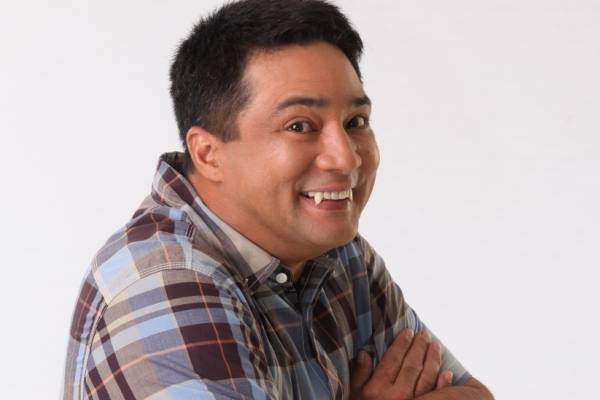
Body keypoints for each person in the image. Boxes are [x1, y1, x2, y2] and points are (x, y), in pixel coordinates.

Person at [62, 0, 494, 399]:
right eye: (300, 126)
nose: (346, 158)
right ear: (208, 154)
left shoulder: (339, 257)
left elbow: (476, 396)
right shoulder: (166, 289)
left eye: (355, 121)